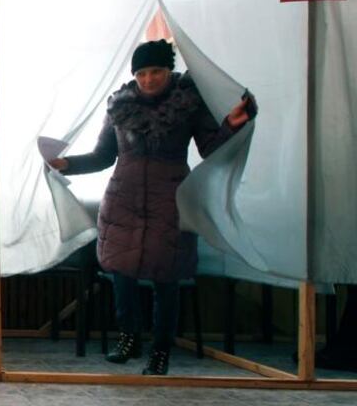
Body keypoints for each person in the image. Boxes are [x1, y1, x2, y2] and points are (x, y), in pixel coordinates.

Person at [49, 39, 254, 375]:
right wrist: (65, 164)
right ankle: (128, 338)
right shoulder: (120, 107)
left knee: (166, 276)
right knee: (121, 271)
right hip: (123, 198)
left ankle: (161, 351)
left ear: (168, 70)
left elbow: (208, 148)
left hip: (170, 198)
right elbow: (103, 156)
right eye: (141, 73)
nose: (148, 79)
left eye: (156, 71)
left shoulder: (188, 102)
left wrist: (232, 124)